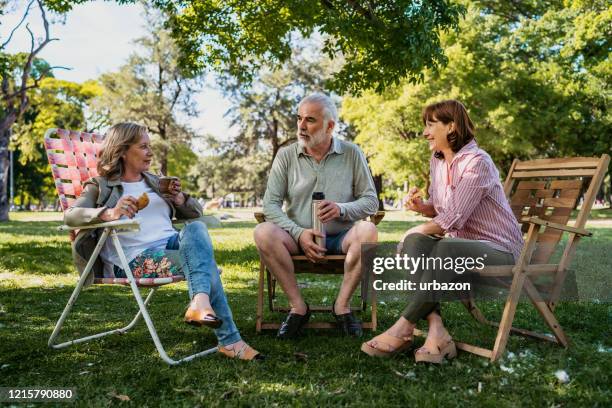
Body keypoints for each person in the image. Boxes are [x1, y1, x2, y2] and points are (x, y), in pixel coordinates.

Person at [64, 122, 263, 361]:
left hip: (170, 243)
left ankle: (200, 303)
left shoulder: (155, 182)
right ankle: (230, 341)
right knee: (205, 264)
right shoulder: (100, 186)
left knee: (196, 228)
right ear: (123, 150)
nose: (150, 152)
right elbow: (71, 216)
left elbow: (196, 213)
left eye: (150, 146)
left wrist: (178, 199)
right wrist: (109, 213)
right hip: (133, 258)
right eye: (144, 147)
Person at [361, 100, 523, 363]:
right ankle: (437, 331)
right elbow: (440, 208)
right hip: (462, 249)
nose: (425, 132)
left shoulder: (477, 162)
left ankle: (402, 328)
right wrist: (422, 208)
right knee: (418, 243)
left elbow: (455, 217)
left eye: (430, 125)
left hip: (500, 251)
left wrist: (416, 229)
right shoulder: (437, 160)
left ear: (452, 126)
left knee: (442, 246)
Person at [254, 92, 379, 338]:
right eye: (299, 118)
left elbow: (370, 201)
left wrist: (341, 208)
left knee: (369, 231)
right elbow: (270, 205)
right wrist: (299, 234)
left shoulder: (352, 153)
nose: (301, 126)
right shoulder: (286, 155)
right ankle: (298, 308)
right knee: (263, 231)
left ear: (330, 126)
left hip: (340, 238)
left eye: (310, 120)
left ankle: (341, 307)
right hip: (296, 238)